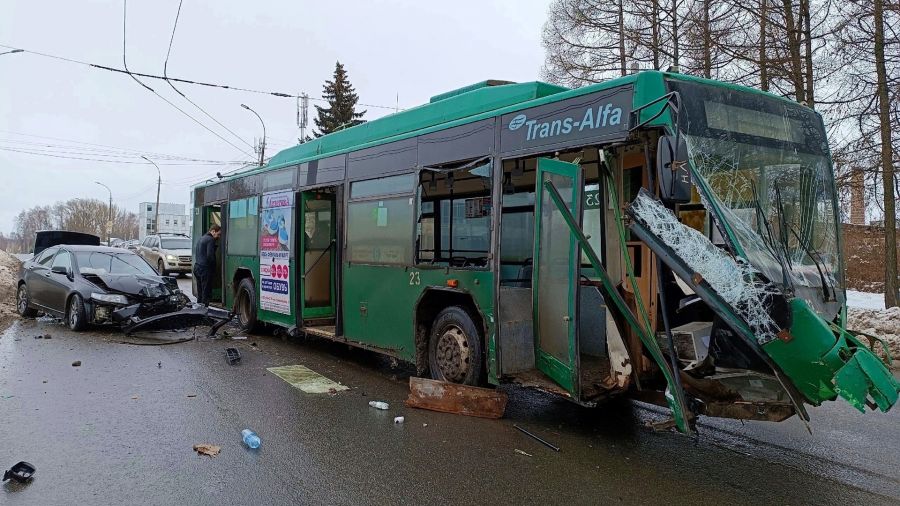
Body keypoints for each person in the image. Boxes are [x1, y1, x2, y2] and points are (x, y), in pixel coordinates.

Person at [193, 224, 221, 305]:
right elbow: (210, 256)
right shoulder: (210, 240)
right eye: (218, 234)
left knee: (200, 292)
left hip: (197, 267)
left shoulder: (202, 238)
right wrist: (213, 267)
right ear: (213, 231)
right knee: (206, 292)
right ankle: (204, 311)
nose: (218, 237)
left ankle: (198, 309)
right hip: (205, 269)